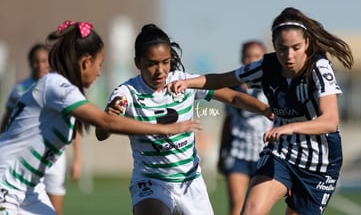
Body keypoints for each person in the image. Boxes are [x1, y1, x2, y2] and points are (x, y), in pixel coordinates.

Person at [0, 20, 202, 215]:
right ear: (86, 62)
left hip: (29, 191)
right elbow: (105, 122)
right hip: (5, 185)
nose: (99, 73)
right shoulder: (56, 86)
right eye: (99, 64)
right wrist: (166, 129)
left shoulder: (63, 91)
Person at [167, 7, 354, 215]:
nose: (289, 55)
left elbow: (329, 121)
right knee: (250, 211)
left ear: (307, 43)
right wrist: (187, 82)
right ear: (274, 45)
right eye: (282, 48)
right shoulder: (267, 67)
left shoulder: (319, 68)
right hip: (282, 152)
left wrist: (289, 127)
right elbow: (222, 79)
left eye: (296, 47)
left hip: (319, 162)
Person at [95, 24, 273, 215]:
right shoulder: (127, 93)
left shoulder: (184, 82)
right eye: (151, 63)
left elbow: (233, 97)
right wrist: (110, 117)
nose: (160, 70)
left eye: (165, 62)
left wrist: (266, 110)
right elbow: (101, 133)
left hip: (190, 181)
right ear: (138, 62)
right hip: (151, 181)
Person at [0, 43, 81, 215]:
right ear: (30, 63)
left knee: (52, 208)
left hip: (53, 157)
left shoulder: (59, 89)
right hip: (26, 156)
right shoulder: (21, 88)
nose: (41, 65)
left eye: (44, 61)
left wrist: (77, 159)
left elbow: (75, 126)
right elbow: (7, 121)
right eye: (36, 61)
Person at [217, 40, 273, 215]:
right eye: (248, 56)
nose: (252, 60)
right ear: (242, 58)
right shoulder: (233, 89)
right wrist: (221, 152)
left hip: (264, 153)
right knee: (237, 204)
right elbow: (227, 122)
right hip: (238, 153)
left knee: (258, 208)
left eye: (256, 56)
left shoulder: (272, 86)